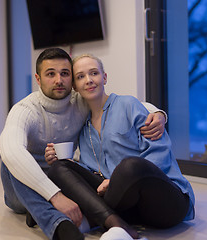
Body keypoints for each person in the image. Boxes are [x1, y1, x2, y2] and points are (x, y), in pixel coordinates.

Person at [0, 48, 167, 240]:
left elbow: (122, 104)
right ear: (38, 79)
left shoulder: (79, 100)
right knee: (11, 161)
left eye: (65, 73)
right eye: (50, 74)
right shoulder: (25, 110)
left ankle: (48, 212)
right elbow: (10, 149)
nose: (58, 80)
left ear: (72, 80)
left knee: (68, 171)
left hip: (61, 179)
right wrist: (55, 196)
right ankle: (58, 224)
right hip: (24, 189)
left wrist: (158, 114)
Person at [46, 54, 195, 239]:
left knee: (130, 166)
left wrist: (115, 181)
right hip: (129, 208)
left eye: (94, 73)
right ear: (75, 86)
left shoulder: (128, 105)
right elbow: (90, 170)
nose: (89, 80)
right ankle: (118, 225)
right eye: (81, 76)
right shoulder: (83, 127)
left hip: (166, 202)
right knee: (59, 167)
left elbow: (160, 152)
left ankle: (91, 219)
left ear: (105, 77)